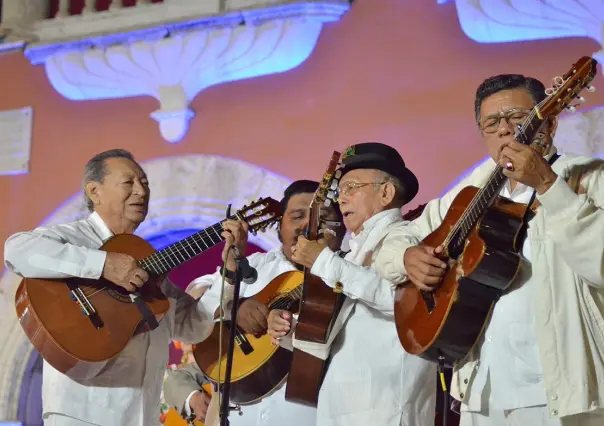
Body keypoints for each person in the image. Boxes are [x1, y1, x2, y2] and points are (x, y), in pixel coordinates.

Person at [376, 74, 604, 426]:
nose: (504, 129)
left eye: (516, 116)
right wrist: (407, 258)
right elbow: (391, 244)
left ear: (550, 120)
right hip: (482, 394)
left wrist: (548, 186)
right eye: (491, 122)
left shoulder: (591, 177)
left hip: (560, 396)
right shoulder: (471, 192)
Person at [4, 149, 215, 426]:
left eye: (145, 183)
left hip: (142, 417)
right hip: (81, 414)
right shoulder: (73, 237)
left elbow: (193, 328)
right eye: (129, 182)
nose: (141, 191)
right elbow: (16, 250)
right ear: (94, 191)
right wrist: (103, 265)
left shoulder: (146, 260)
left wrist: (228, 277)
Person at [268, 142, 437, 426]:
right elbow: (342, 331)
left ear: (386, 193)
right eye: (340, 190)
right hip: (343, 408)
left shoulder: (405, 237)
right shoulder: (353, 253)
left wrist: (324, 261)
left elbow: (403, 303)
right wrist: (289, 329)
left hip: (385, 408)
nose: (341, 199)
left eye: (352, 187)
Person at [162, 179, 346, 426]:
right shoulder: (254, 265)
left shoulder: (352, 276)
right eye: (298, 216)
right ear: (280, 227)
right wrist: (235, 307)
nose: (308, 226)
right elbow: (198, 292)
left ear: (342, 228)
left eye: (321, 218)